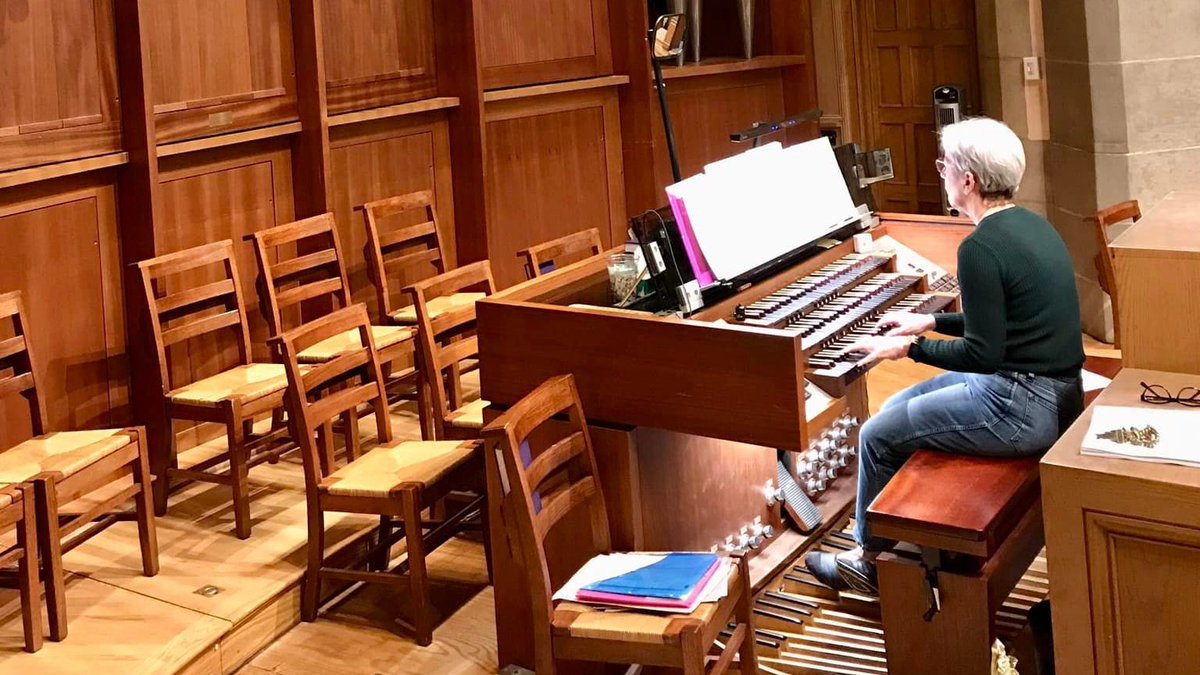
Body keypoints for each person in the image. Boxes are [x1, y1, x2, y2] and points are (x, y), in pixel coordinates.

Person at [804, 117, 1085, 595]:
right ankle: (906, 535)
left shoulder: (980, 248)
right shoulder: (1031, 227)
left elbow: (983, 352)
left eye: (944, 166)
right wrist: (930, 322)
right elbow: (1006, 322)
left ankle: (867, 562)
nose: (942, 174)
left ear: (968, 180)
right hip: (1056, 392)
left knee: (874, 434)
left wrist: (906, 348)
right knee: (894, 411)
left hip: (1021, 407)